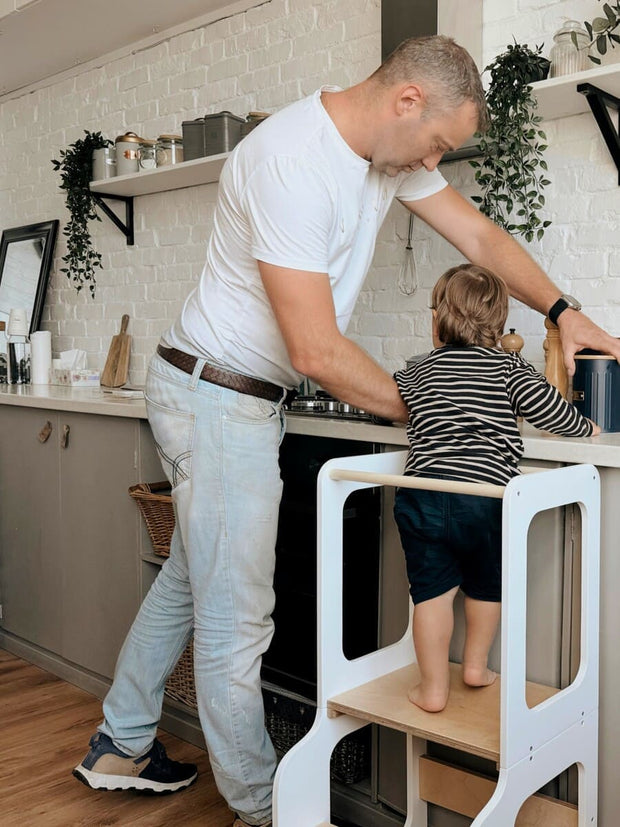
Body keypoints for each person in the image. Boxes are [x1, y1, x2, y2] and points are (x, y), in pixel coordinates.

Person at [73, 35, 617, 827]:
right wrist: (433, 402)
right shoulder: (292, 163)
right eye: (439, 142)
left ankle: (120, 740)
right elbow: (316, 350)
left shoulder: (386, 158)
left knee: (191, 580)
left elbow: (481, 241)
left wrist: (566, 313)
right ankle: (271, 809)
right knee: (237, 625)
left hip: (232, 394)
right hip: (218, 400)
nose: (437, 158)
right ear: (407, 102)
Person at [393, 263, 600, 714]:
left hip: (423, 494)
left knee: (431, 594)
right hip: (486, 498)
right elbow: (551, 413)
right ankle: (474, 668)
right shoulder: (508, 366)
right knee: (487, 586)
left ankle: (431, 689)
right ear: (498, 323)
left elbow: (395, 404)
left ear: (437, 319)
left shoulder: (418, 369)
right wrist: (588, 427)